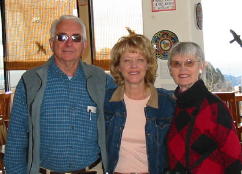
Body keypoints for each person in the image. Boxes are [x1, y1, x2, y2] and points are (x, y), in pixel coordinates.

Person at [4, 15, 115, 174]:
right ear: (51, 43)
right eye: (62, 37)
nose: (69, 43)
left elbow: (121, 129)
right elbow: (16, 140)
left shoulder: (103, 81)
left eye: (76, 37)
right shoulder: (30, 81)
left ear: (84, 45)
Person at [104, 28, 175, 174]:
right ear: (118, 66)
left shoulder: (167, 103)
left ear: (148, 64)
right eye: (127, 60)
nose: (133, 66)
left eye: (140, 60)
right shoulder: (106, 101)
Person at [166, 42, 241, 174]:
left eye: (189, 62)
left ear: (200, 66)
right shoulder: (170, 105)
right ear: (170, 69)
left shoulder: (214, 107)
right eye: (176, 63)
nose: (182, 69)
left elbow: (234, 157)